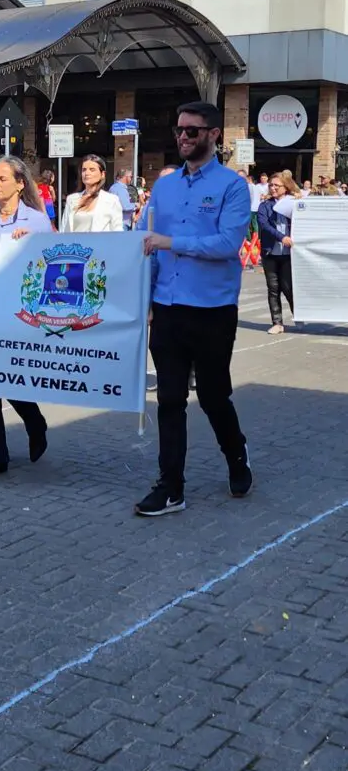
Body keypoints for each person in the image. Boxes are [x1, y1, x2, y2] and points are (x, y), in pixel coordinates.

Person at [136, 101, 252, 518]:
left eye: (193, 131)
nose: (183, 137)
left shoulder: (232, 186)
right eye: (179, 130)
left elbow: (227, 245)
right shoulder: (164, 187)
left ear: (214, 135)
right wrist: (143, 299)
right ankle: (170, 487)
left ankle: (237, 456)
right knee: (168, 398)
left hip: (212, 309)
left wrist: (173, 243)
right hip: (167, 308)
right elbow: (145, 242)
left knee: (213, 395)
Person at [0, 157, 51, 479]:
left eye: (3, 178)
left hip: (18, 312)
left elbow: (49, 266)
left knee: (10, 377)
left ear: (20, 183)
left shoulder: (36, 221)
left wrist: (29, 243)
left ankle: (34, 421)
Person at [257, 171, 300, 335]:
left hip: (289, 254)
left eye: (277, 185)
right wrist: (282, 237)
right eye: (271, 185)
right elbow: (264, 225)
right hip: (270, 252)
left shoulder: (294, 202)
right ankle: (277, 322)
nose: (273, 188)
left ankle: (299, 315)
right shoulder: (265, 205)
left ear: (286, 187)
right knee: (273, 288)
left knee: (288, 287)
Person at [60, 155, 124, 232]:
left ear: (102, 174)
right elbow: (63, 230)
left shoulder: (112, 200)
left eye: (92, 169)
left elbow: (117, 231)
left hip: (100, 243)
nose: (87, 173)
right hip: (76, 243)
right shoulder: (72, 199)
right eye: (84, 170)